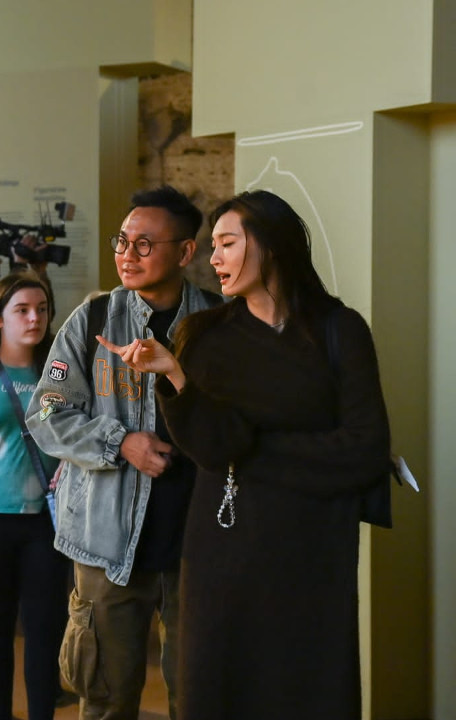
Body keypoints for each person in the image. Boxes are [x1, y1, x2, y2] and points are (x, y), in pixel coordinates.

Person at [96, 190, 393, 720]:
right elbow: (212, 449)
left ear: (272, 247)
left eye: (227, 244)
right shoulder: (204, 336)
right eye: (213, 247)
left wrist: (251, 451)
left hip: (313, 550)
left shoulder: (339, 330)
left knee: (308, 690)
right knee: (220, 688)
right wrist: (176, 376)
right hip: (223, 548)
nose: (214, 259)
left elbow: (364, 451)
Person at [28, 185, 218, 720]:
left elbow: (241, 423)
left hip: (197, 546)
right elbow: (45, 414)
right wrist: (120, 442)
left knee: (201, 695)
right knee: (107, 700)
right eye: (122, 241)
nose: (126, 256)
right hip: (106, 545)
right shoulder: (90, 323)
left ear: (185, 252)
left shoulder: (219, 325)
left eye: (143, 244)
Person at [0, 272, 69, 720]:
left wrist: (68, 461)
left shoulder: (59, 370)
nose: (34, 319)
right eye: (22, 310)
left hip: (44, 517)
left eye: (42, 309)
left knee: (46, 624)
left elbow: (63, 431)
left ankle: (43, 709)